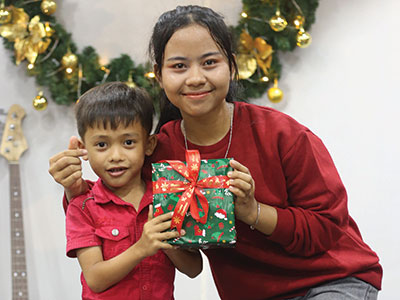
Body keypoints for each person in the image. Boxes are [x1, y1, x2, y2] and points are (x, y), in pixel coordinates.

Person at [49, 5, 383, 300]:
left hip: (328, 280)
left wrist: (253, 211)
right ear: (159, 75)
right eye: (179, 66)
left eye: (210, 62)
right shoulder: (159, 148)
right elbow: (118, 196)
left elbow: (327, 230)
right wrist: (73, 187)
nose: (196, 78)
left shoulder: (284, 136)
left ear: (231, 66)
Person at [61, 82, 202, 299]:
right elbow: (95, 279)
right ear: (83, 149)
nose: (115, 155)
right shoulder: (82, 206)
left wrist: (166, 243)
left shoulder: (169, 197)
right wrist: (142, 248)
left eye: (128, 142)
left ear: (149, 144)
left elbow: (194, 269)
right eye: (101, 145)